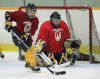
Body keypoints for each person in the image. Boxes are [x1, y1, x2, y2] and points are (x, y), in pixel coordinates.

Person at [4, 3, 40, 72]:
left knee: (27, 49)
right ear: (27, 11)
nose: (32, 14)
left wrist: (27, 35)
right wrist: (8, 22)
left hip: (25, 37)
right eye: (30, 12)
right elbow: (8, 14)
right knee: (31, 49)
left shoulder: (36, 20)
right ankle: (32, 65)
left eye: (33, 12)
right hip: (16, 36)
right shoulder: (20, 14)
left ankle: (28, 63)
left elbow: (33, 30)